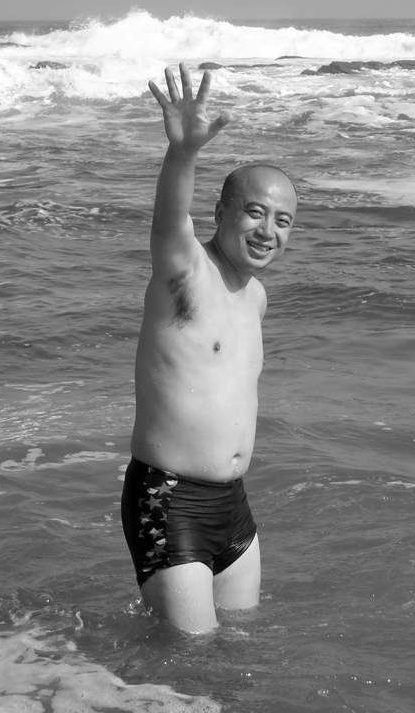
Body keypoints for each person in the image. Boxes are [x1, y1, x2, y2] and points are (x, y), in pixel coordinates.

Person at [121, 63, 297, 633]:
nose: (268, 231)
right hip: (169, 499)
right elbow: (168, 220)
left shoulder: (256, 297)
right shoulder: (185, 271)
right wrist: (183, 153)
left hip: (233, 506)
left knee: (241, 649)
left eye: (283, 221)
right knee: (188, 659)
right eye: (255, 212)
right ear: (220, 214)